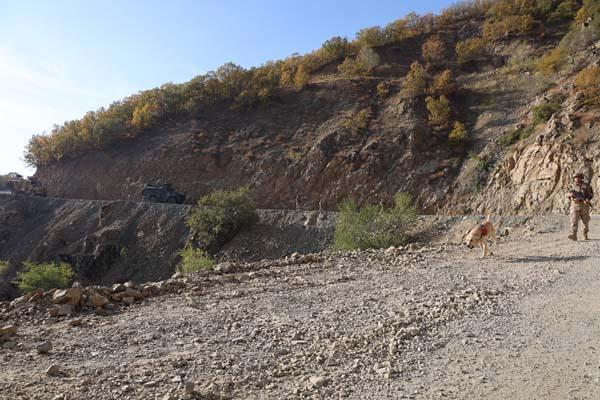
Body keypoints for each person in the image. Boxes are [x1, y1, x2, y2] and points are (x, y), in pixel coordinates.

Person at [567, 172, 594, 241]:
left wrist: (588, 199)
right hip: (575, 205)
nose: (577, 178)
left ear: (581, 178)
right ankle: (574, 235)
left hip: (584, 205)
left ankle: (585, 234)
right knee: (574, 220)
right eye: (576, 177)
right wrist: (570, 196)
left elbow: (591, 194)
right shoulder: (571, 185)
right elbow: (567, 193)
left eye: (579, 177)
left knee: (585, 221)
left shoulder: (586, 186)